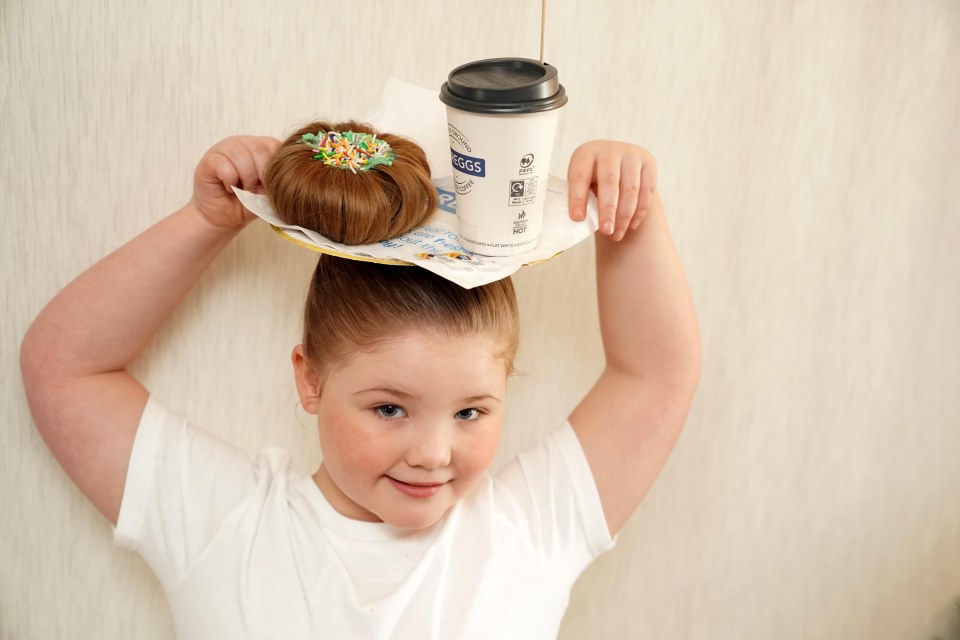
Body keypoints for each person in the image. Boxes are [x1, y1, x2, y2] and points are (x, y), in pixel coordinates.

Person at [20, 128, 701, 639]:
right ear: (309, 379)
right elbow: (65, 369)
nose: (434, 452)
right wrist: (208, 221)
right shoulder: (224, 525)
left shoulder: (526, 531)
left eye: (470, 412)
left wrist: (629, 214)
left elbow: (655, 375)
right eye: (389, 408)